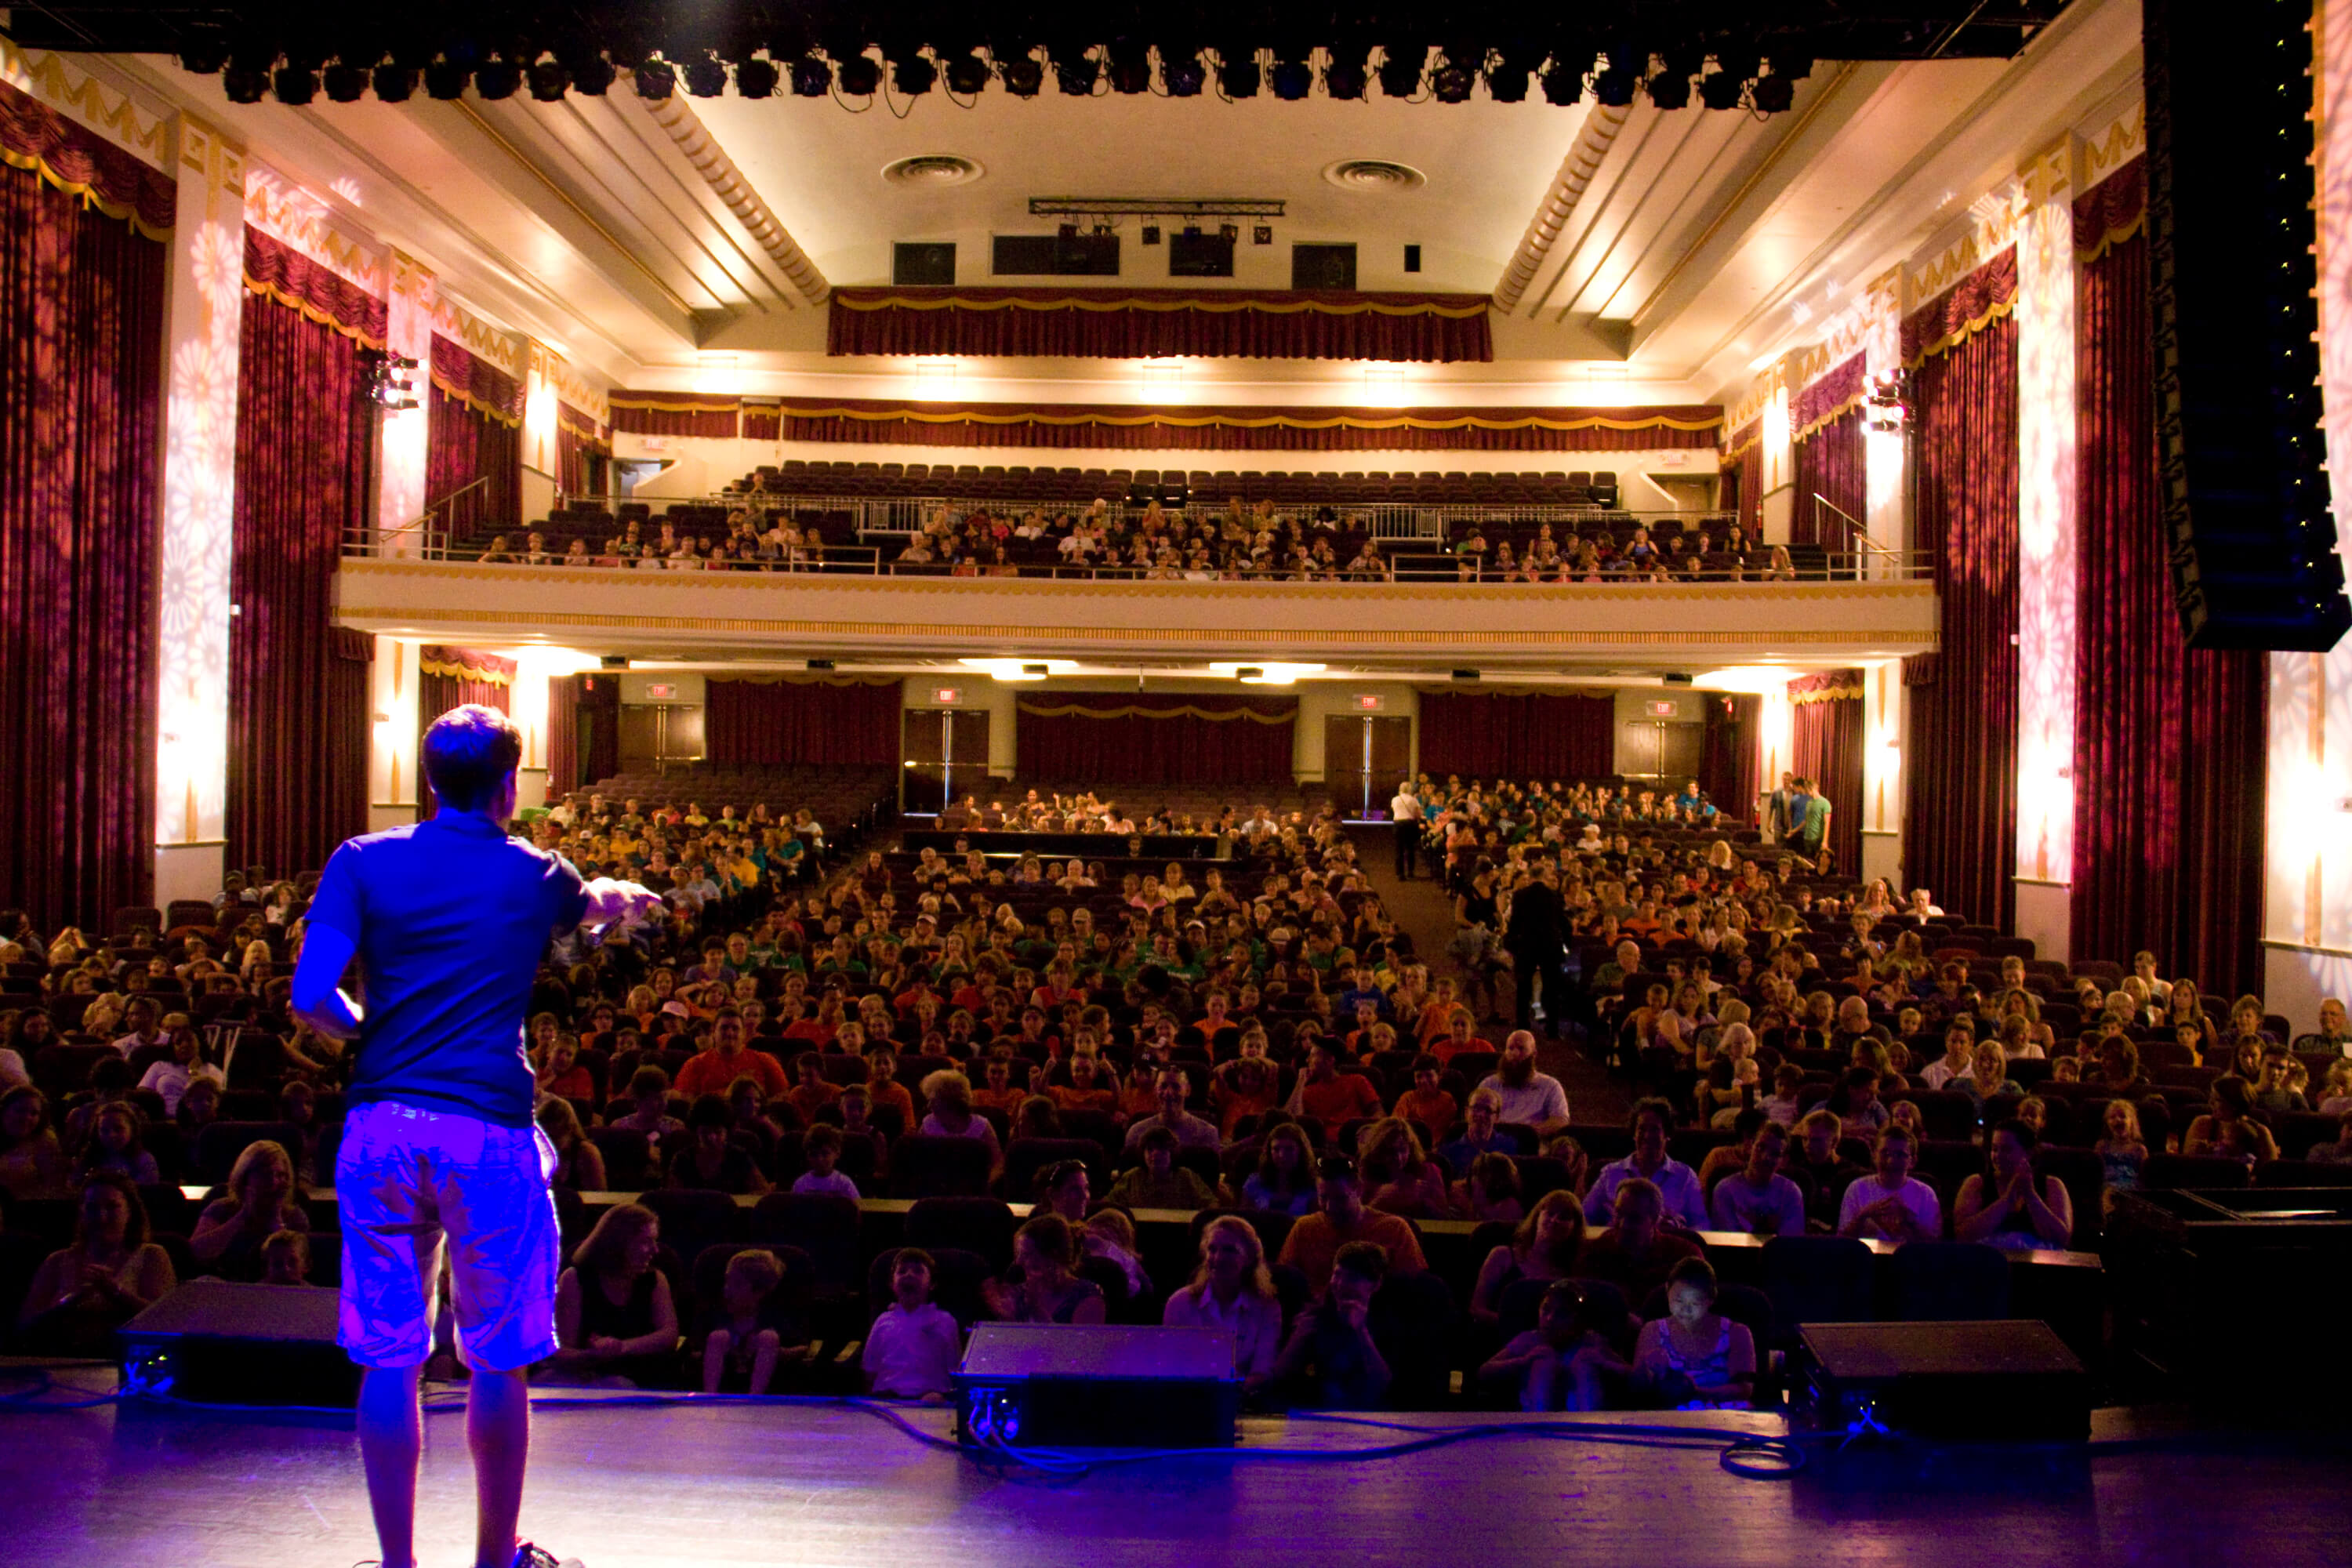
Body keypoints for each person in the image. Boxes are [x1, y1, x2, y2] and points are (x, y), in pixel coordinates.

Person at [292, 703, 661, 1568]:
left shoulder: (361, 861)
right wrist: (627, 900)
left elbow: (311, 997)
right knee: (499, 1357)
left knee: (389, 1357)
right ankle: (496, 1558)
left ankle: (396, 1564)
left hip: (380, 1125)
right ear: (508, 787)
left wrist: (369, 1033)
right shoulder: (536, 873)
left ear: (429, 784)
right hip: (488, 1134)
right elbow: (597, 900)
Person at [15, 1171, 175, 1355]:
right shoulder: (57, 1261)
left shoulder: (151, 1256)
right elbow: (25, 1326)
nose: (101, 1217)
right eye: (92, 1208)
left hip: (127, 1365)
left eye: (112, 1207)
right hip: (63, 1363)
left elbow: (164, 1322)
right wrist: (71, 1300)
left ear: (130, 1211)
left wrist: (115, 1292)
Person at [547, 1203, 681, 1388]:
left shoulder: (655, 1281)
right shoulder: (575, 1280)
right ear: (619, 1243)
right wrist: (593, 1355)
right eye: (645, 1242)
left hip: (639, 1376)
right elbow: (563, 1349)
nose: (655, 1250)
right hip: (583, 1375)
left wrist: (621, 1347)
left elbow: (668, 1335)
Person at [1276, 1154, 1428, 1298]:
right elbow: (1284, 1280)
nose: (1330, 1207)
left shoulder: (1394, 1229)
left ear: (1359, 1190)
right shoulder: (1305, 1227)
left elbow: (1414, 1288)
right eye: (1324, 1198)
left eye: (1339, 1198)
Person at [1163, 1215, 1283, 1395]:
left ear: (1250, 1258)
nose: (1218, 1258)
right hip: (1189, 1399)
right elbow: (1171, 1366)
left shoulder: (1267, 1308)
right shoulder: (1180, 1303)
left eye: (1229, 1250)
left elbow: (1261, 1372)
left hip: (1243, 1402)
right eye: (1212, 1249)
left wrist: (1226, 1395)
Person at [1269, 1240, 1394, 1409]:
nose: (1341, 1285)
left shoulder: (1387, 1320)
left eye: (1353, 1278)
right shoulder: (1315, 1316)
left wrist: (1361, 1331)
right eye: (1338, 1275)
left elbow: (1383, 1384)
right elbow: (1278, 1376)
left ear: (1376, 1284)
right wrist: (1299, 1338)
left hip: (1369, 1418)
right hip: (1315, 1416)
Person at [1632, 1258, 1755, 1410]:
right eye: (1678, 1301)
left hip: (1726, 1415)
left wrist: (1695, 1393)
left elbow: (1744, 1389)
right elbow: (1636, 1388)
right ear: (1667, 1290)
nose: (1685, 1310)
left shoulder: (1737, 1333)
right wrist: (1648, 1367)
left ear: (1710, 1300)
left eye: (1695, 1303)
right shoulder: (1653, 1331)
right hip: (1670, 1416)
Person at [1479, 1279, 1617, 1412]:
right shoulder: (1530, 1340)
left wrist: (1603, 1363)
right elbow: (1484, 1371)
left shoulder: (1591, 1341)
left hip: (1583, 1420)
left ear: (1580, 1320)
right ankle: (1541, 1422)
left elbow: (1631, 1375)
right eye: (1546, 1310)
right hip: (1537, 1421)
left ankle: (1587, 1425)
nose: (1550, 1318)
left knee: (1583, 1363)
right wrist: (1524, 1361)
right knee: (1544, 1362)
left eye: (1562, 1313)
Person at [191, 1138, 311, 1280]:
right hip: (227, 1286)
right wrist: (243, 1215)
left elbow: (294, 1267)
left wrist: (276, 1218)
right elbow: (196, 1252)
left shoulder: (294, 1216)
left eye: (280, 1175)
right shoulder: (221, 1209)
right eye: (265, 1175)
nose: (273, 1182)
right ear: (245, 1178)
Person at [1583, 1099, 1708, 1230]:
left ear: (1667, 1134)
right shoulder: (1610, 1174)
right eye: (1642, 1129)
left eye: (1655, 1129)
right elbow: (1583, 1219)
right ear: (1634, 1134)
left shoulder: (1685, 1177)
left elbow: (1702, 1226)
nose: (1648, 1136)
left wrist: (1675, 1228)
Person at [1467, 1189, 1584, 1328]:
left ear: (1574, 1228)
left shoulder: (1573, 1270)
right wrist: (1515, 1327)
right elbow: (1477, 1309)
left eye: (1564, 1217)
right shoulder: (1502, 1256)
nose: (1555, 1221)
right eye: (1550, 1213)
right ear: (1537, 1217)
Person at [698, 1247, 808, 1396]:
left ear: (759, 1292)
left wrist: (776, 1352)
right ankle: (709, 1396)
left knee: (769, 1338)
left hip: (764, 1374)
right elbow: (695, 1346)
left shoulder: (772, 1317)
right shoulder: (717, 1312)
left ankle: (754, 1398)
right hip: (728, 1369)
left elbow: (802, 1347)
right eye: (727, 1280)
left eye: (736, 1284)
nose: (727, 1289)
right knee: (718, 1337)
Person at [1576, 1178, 1702, 1304]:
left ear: (1654, 1220)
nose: (1623, 1224)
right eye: (1619, 1214)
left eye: (1634, 1218)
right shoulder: (1596, 1252)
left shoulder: (1683, 1255)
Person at [1954, 1120, 2075, 1250]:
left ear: (2028, 1153)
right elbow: (1963, 1235)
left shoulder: (2052, 1185)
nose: (1997, 1156)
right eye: (1994, 1149)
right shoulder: (1976, 1183)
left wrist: (2030, 1195)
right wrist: (2007, 1200)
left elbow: (2062, 1238)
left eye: (2006, 1150)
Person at [862, 1248, 962, 1401]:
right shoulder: (883, 1321)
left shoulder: (945, 1321)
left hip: (930, 1396)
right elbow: (870, 1369)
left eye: (918, 1271)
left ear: (932, 1284)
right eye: (902, 1271)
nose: (909, 1275)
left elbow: (954, 1368)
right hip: (889, 1396)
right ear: (891, 1284)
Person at [982, 1214, 1106, 1325]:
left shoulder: (1087, 1296)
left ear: (1053, 1257)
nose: (1018, 1262)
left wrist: (1036, 1308)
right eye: (1018, 1255)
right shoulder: (1020, 1294)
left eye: (1027, 1254)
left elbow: (1075, 1348)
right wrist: (1006, 1320)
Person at [1836, 1125, 1944, 1243]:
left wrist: (1910, 1220)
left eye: (1900, 1155)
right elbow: (1842, 1241)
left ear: (1912, 1161)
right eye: (1885, 1153)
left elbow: (1935, 1243)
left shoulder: (1925, 1194)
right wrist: (1863, 1216)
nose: (1891, 1161)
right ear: (1874, 1156)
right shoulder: (1856, 1189)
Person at [1708, 1121, 1807, 1237]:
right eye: (1761, 1147)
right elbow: (1726, 1242)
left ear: (1784, 1161)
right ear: (1751, 1146)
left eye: (1775, 1154)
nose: (1765, 1157)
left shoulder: (1791, 1193)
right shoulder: (1725, 1189)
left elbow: (1789, 1244)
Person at [1504, 861, 1568, 1038]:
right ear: (1544, 877)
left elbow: (1515, 922)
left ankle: (1523, 1024)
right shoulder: (1554, 895)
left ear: (1531, 877)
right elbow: (1562, 922)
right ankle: (1552, 1028)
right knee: (1551, 987)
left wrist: (1510, 943)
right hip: (1550, 945)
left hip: (1527, 945)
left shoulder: (1520, 895)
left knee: (1523, 987)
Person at [1102, 1125, 1221, 1210]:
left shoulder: (1186, 1177)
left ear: (1172, 1152)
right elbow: (1107, 1204)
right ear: (1142, 1154)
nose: (1155, 1154)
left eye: (1162, 1148)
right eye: (1150, 1149)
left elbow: (1212, 1205)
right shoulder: (1132, 1177)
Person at [1478, 1030, 1572, 1134]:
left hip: (1533, 1143)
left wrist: (1526, 1133)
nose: (1515, 1053)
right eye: (1511, 1048)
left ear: (1534, 1054)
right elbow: (1474, 1115)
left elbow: (1560, 1121)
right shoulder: (1489, 1085)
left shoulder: (1550, 1086)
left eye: (1521, 1048)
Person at [1239, 1120, 1318, 1216]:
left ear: (1301, 1151)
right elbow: (1246, 1220)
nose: (1282, 1155)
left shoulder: (1314, 1186)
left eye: (1289, 1149)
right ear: (1269, 1152)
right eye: (1276, 1149)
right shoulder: (1254, 1182)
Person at [1390, 780, 1425, 880]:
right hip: (1410, 824)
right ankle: (1410, 871)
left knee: (1399, 849)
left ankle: (1400, 873)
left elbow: (1395, 810)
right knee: (1410, 849)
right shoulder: (1413, 800)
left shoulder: (1395, 799)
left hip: (1398, 824)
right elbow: (1417, 814)